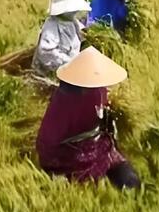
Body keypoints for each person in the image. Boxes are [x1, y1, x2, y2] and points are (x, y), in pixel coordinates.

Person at [36, 46, 140, 190]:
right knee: (116, 167)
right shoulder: (70, 100)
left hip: (85, 145)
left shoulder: (90, 91)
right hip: (65, 156)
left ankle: (127, 183)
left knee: (118, 164)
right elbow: (49, 142)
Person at [31, 0, 90, 78]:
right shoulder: (51, 26)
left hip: (71, 68)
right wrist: (69, 62)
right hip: (50, 72)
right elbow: (46, 53)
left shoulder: (73, 22)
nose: (75, 11)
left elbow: (83, 35)